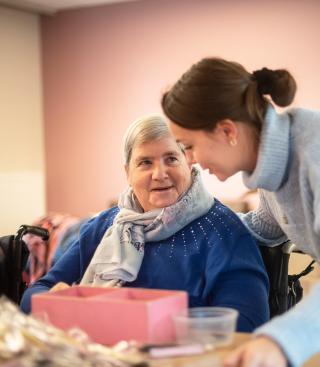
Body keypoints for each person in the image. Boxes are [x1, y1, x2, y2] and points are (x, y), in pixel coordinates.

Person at [20, 114, 269, 333]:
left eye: (171, 158)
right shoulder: (104, 226)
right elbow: (34, 294)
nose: (159, 173)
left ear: (190, 162)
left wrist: (152, 322)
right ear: (127, 172)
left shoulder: (223, 231)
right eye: (145, 162)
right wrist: (52, 297)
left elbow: (247, 322)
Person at [161, 57, 320, 367]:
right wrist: (181, 222)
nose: (189, 160)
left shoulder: (313, 148)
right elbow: (260, 227)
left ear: (227, 131)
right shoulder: (273, 172)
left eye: (188, 145)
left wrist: (280, 340)